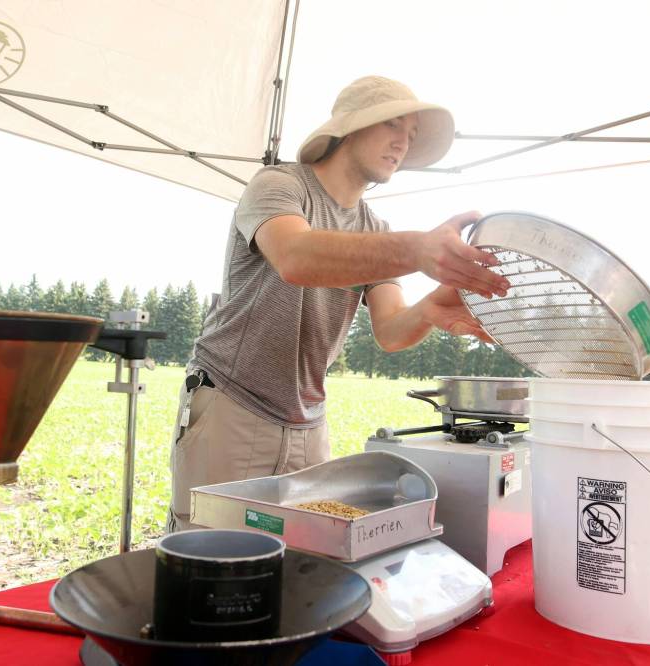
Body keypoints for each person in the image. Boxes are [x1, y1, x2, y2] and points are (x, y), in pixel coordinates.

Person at [166, 76, 508, 531]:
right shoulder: (278, 185)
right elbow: (295, 256)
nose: (402, 143)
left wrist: (428, 309)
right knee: (210, 559)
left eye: (411, 135)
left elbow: (390, 330)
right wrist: (418, 250)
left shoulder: (376, 229)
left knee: (303, 561)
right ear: (350, 127)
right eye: (393, 125)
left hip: (309, 421)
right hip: (232, 403)